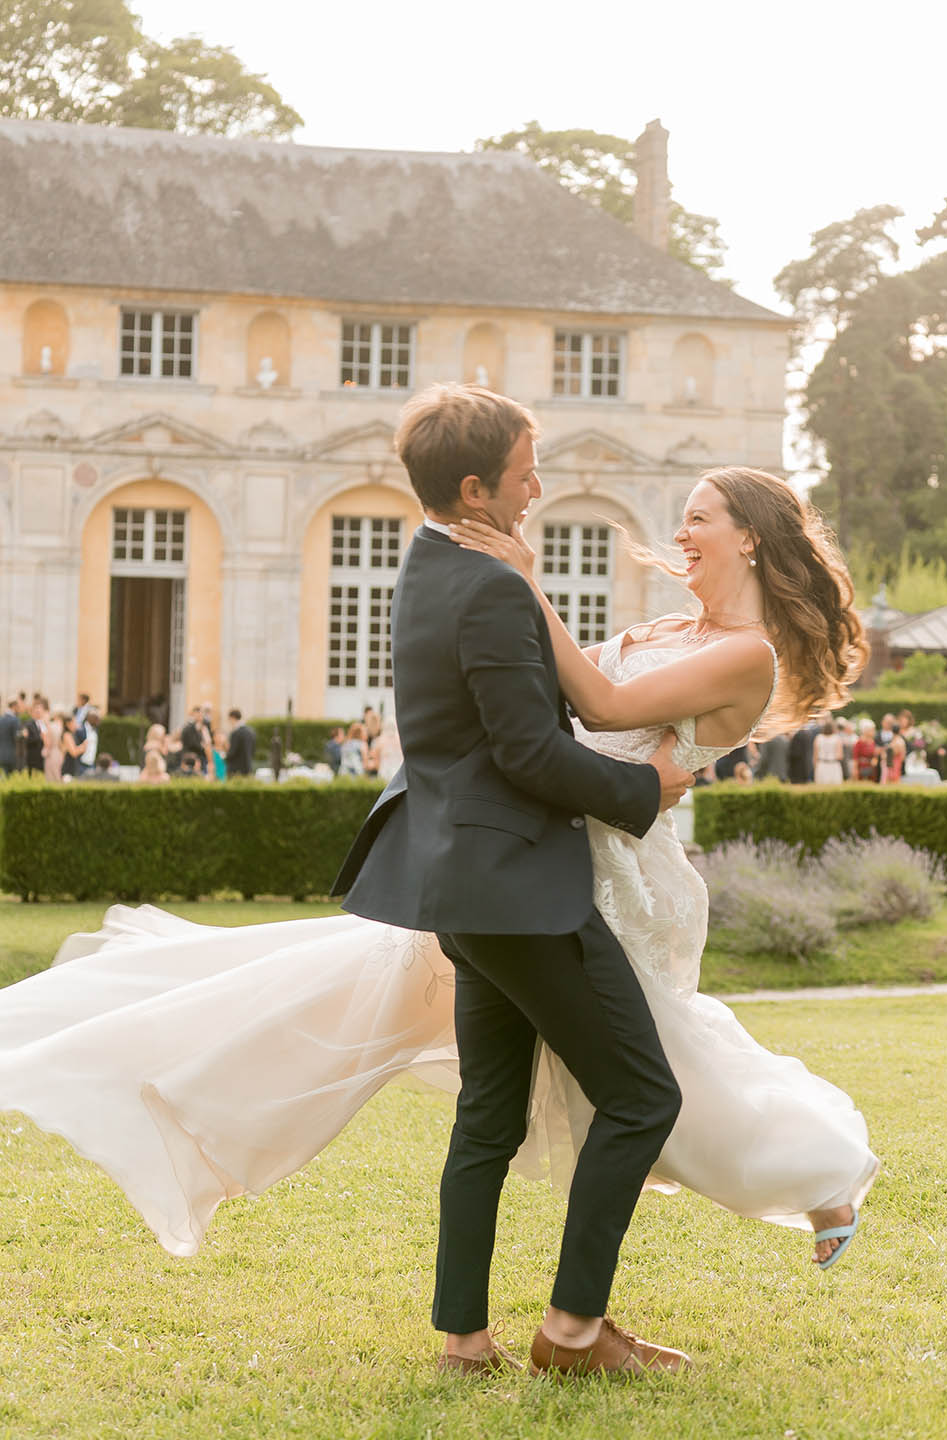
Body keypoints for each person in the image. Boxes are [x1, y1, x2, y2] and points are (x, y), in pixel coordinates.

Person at [0, 394, 877, 1375]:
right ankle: (575, 1331)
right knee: (640, 1094)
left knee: (524, 1106)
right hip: (532, 879)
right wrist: (641, 776)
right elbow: (542, 741)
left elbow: (585, 706)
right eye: (524, 470)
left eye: (700, 516)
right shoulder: (504, 584)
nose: (540, 486)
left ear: (753, 542)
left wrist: (536, 597)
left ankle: (471, 1337)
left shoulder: (441, 564)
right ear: (476, 487)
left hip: (539, 875)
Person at [812, 716, 844, 783]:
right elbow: (840, 756)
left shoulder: (818, 738)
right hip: (833, 765)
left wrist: (815, 768)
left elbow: (815, 756)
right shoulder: (837, 738)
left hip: (821, 765)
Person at [225, 710, 256, 778]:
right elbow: (253, 751)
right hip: (248, 766)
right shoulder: (251, 732)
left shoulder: (235, 733)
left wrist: (224, 757)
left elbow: (232, 752)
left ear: (232, 718)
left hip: (236, 770)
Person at [0, 698, 19, 775]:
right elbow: (16, 737)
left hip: (1, 753)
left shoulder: (1, 719)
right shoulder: (14, 720)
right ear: (14, 706)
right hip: (11, 754)